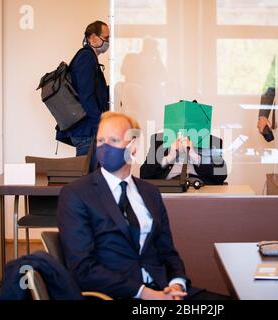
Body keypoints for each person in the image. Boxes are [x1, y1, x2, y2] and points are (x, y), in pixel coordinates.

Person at [57, 112, 229, 300]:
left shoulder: (150, 194)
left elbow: (168, 252)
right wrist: (147, 294)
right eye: (100, 140)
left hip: (165, 289)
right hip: (118, 293)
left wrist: (176, 284)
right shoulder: (76, 195)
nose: (105, 147)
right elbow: (83, 269)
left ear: (133, 146)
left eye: (113, 140)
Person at [56, 21, 110, 169]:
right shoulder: (86, 57)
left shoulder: (89, 58)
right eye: (106, 37)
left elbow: (92, 92)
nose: (108, 42)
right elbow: (87, 96)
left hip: (86, 130)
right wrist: (99, 124)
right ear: (92, 38)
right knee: (87, 181)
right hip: (87, 131)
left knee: (90, 180)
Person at [140, 132, 228, 185]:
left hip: (200, 188)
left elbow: (221, 174)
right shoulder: (159, 140)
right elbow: (144, 174)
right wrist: (169, 158)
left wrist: (195, 156)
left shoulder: (211, 141)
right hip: (169, 189)